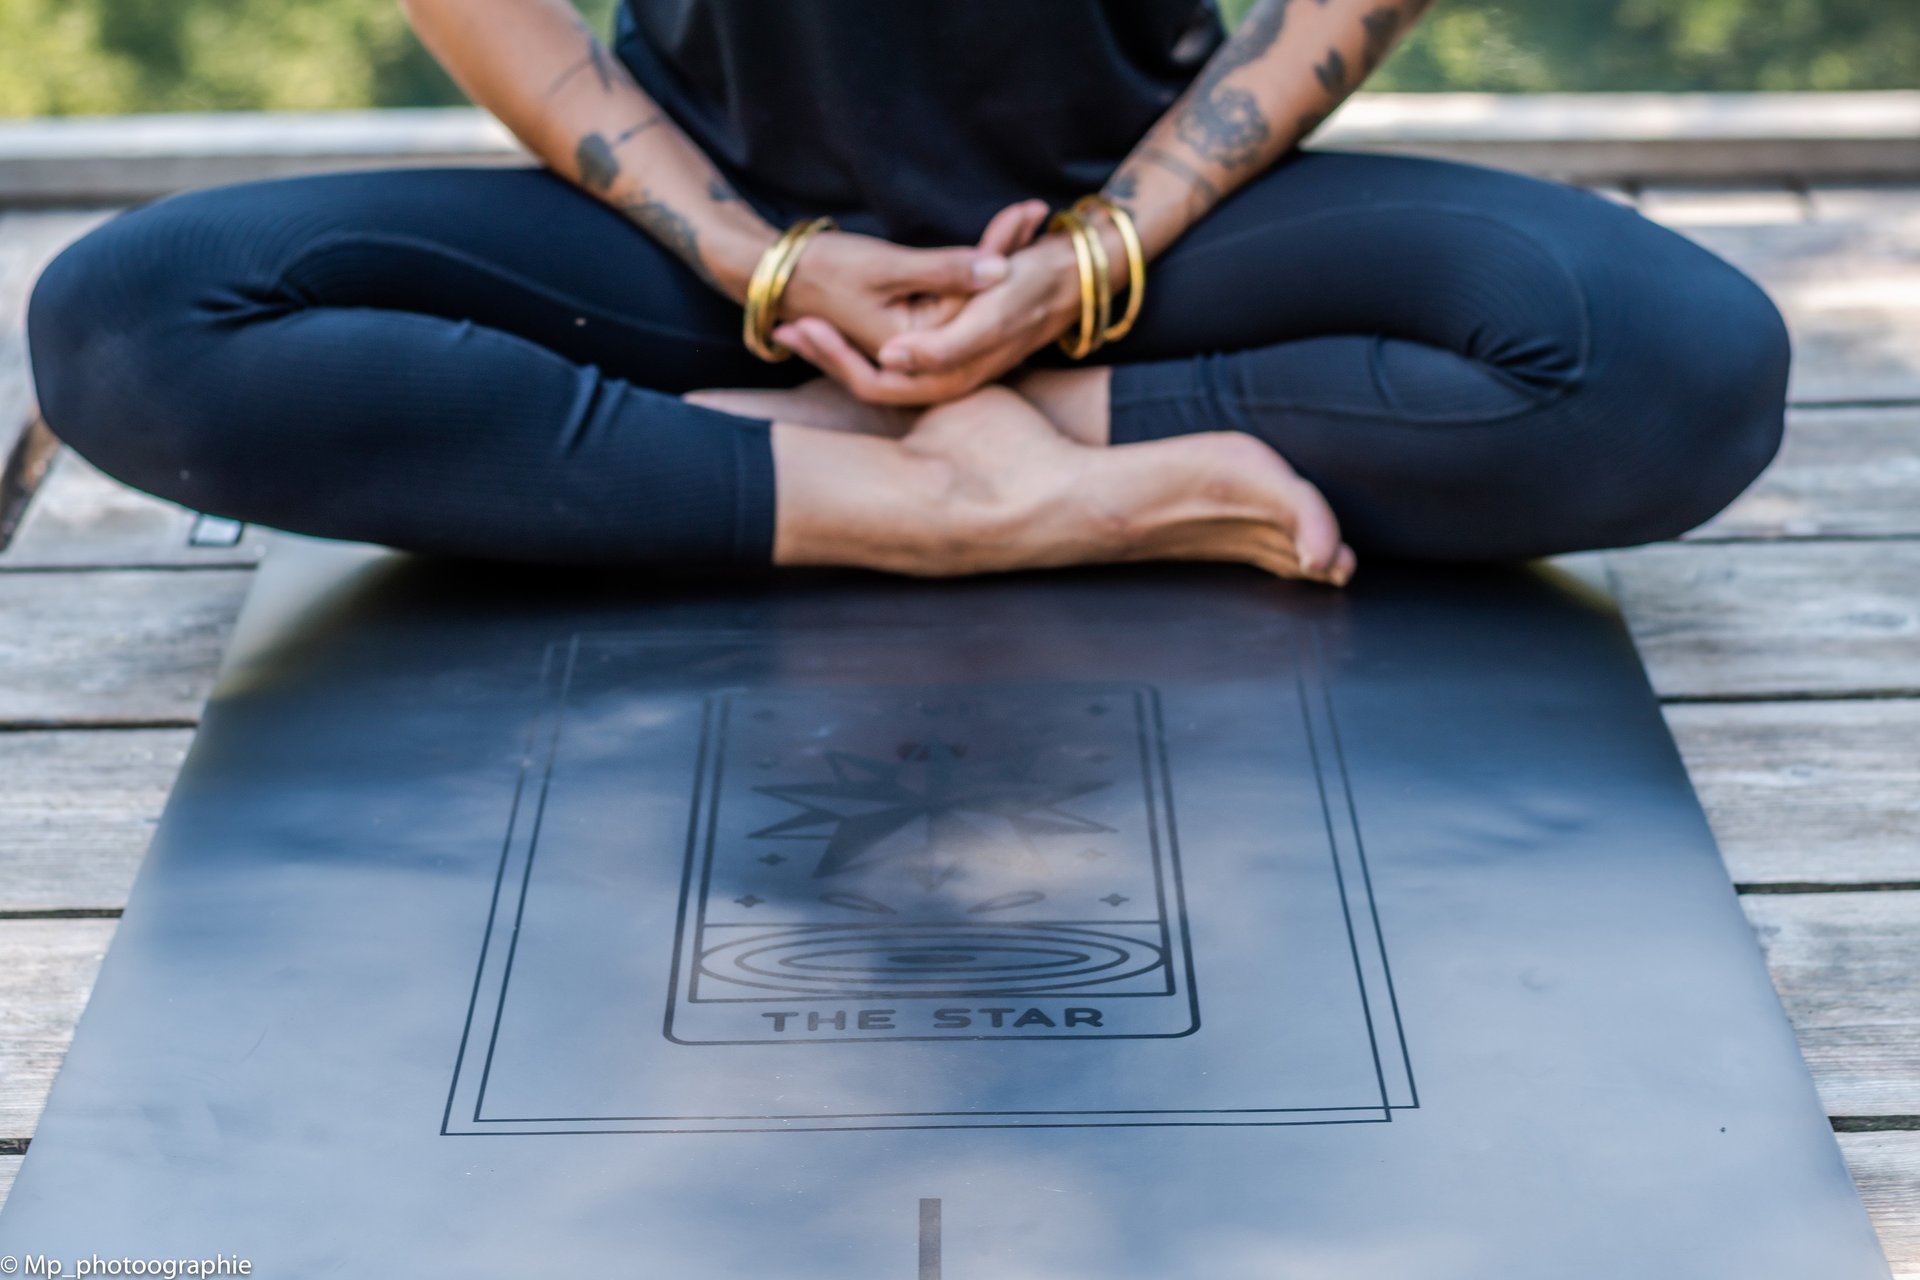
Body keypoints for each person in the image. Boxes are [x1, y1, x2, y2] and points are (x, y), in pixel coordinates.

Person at [26, 0, 1790, 586]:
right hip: (712, 249)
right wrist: (755, 257)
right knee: (129, 323)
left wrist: (1106, 247)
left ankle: (890, 437)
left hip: (1140, 242)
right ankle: (939, 502)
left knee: (1684, 366)